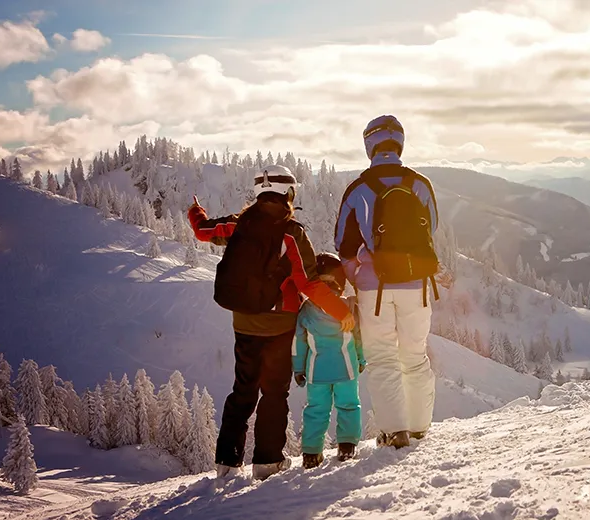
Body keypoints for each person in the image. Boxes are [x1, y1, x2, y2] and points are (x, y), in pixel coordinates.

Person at [189, 165, 353, 481]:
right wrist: (341, 312)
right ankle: (267, 462)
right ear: (288, 194)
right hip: (279, 324)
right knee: (274, 392)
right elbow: (309, 284)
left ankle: (227, 462)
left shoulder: (238, 225)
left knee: (243, 389)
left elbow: (203, 232)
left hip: (244, 322)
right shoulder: (291, 233)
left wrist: (196, 211)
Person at [335, 115, 441, 449]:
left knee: (382, 358)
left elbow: (343, 243)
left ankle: (395, 432)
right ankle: (420, 426)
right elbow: (432, 228)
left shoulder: (358, 189)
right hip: (417, 285)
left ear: (369, 144)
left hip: (375, 287)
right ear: (400, 143)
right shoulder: (420, 184)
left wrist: (358, 275)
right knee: (415, 355)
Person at [292, 253, 364, 468]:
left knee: (316, 410)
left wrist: (298, 368)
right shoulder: (349, 308)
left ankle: (311, 453)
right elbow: (359, 337)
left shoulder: (306, 310)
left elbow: (299, 343)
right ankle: (347, 446)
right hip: (347, 368)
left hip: (317, 372)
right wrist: (361, 359)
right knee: (349, 406)